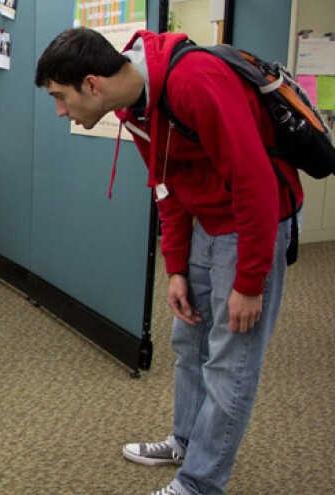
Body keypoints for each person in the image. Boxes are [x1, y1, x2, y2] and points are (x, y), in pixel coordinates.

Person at [34, 28, 302, 495]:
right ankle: (185, 440)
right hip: (208, 221)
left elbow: (255, 181)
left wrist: (250, 281)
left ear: (92, 84)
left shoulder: (195, 82)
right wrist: (176, 267)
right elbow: (165, 185)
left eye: (61, 97)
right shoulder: (133, 106)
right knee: (189, 340)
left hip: (253, 221)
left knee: (229, 361)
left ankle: (199, 483)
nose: (60, 110)